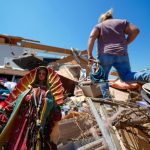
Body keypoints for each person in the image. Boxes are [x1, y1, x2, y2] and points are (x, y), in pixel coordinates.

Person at [87, 9, 150, 98]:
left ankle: (107, 100)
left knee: (102, 78)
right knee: (126, 75)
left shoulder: (99, 25)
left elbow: (91, 37)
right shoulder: (121, 22)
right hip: (122, 54)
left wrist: (89, 54)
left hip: (105, 54)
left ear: (103, 19)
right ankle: (146, 76)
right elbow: (136, 30)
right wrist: (126, 43)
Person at [30, 66, 62, 150]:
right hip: (31, 117)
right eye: (39, 73)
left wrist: (49, 102)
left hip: (45, 119)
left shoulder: (49, 89)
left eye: (43, 74)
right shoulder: (31, 87)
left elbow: (53, 104)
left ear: (46, 76)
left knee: (43, 139)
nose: (41, 75)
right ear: (36, 75)